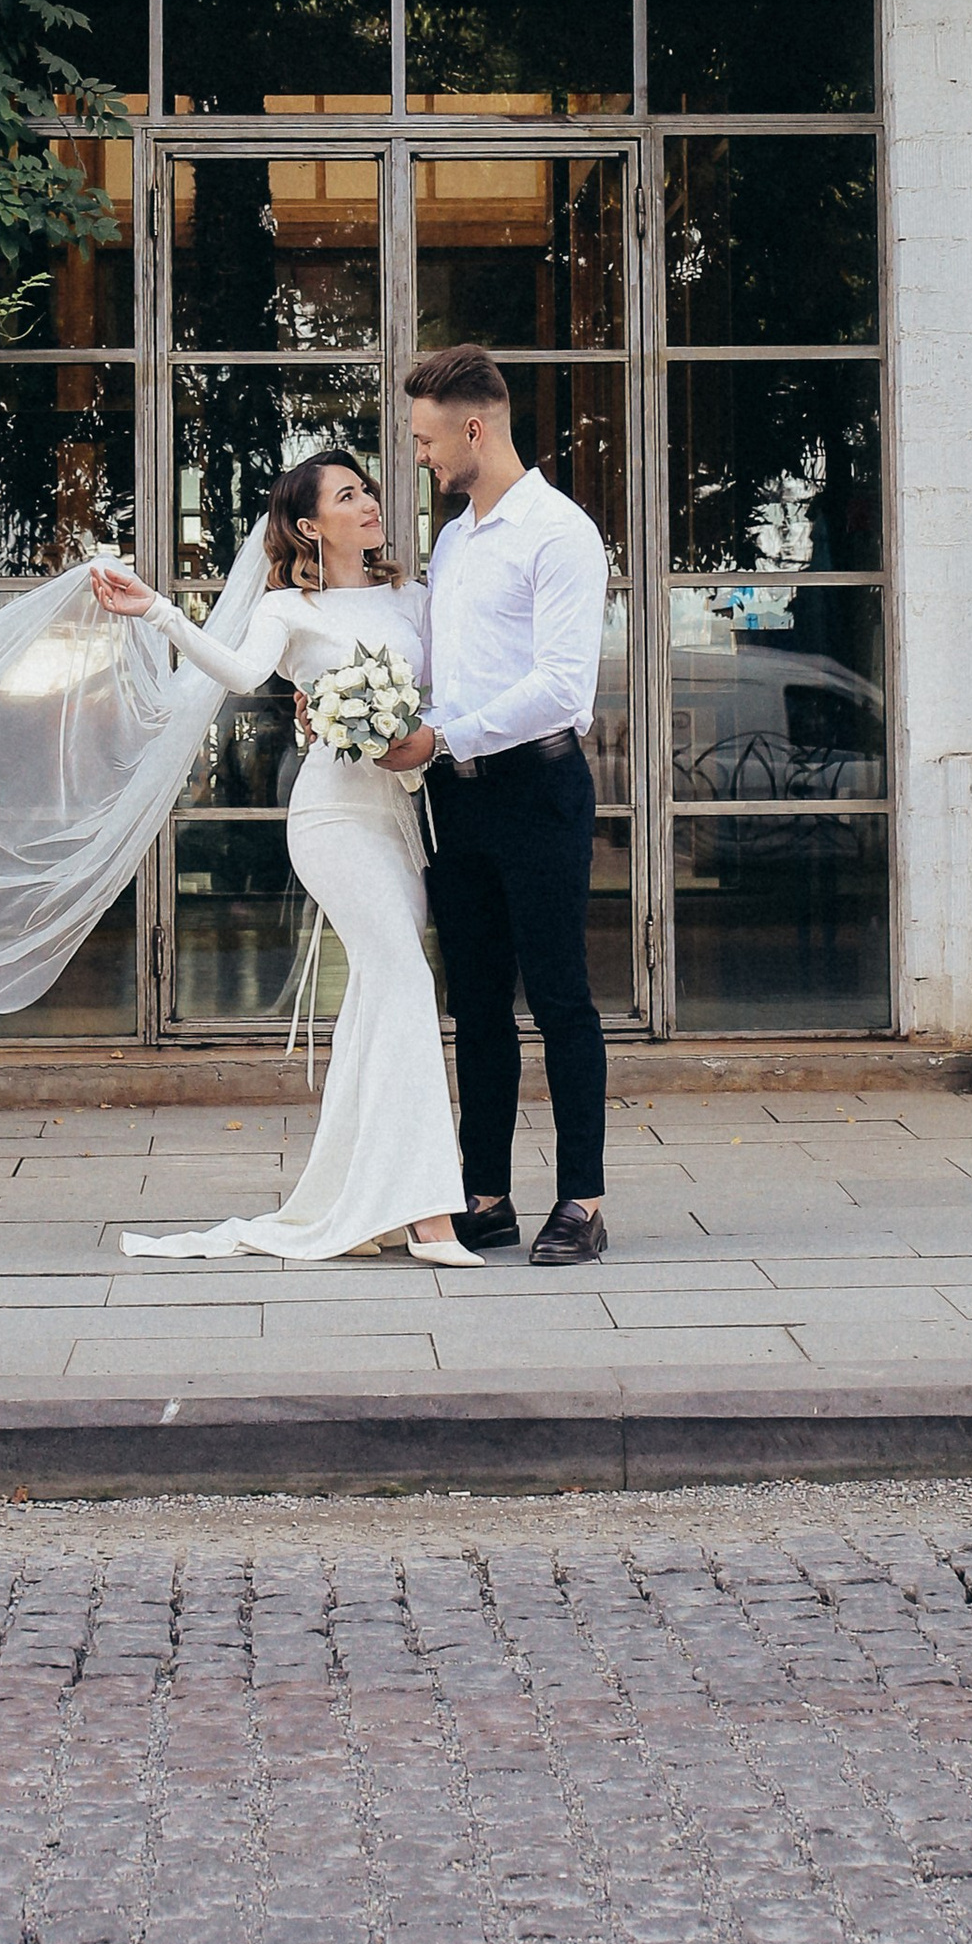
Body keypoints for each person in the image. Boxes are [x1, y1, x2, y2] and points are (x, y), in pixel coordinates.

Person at [89, 453, 478, 1265]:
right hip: (332, 817)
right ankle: (429, 1213)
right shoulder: (287, 608)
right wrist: (159, 610)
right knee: (407, 982)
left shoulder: (413, 598)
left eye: (368, 489)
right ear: (308, 525)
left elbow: (450, 695)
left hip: (399, 819)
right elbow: (238, 671)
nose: (369, 503)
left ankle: (365, 1200)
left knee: (379, 998)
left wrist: (419, 729)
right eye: (348, 495)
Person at [401, 342, 613, 1268]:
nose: (419, 455)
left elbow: (562, 687)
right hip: (457, 800)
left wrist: (445, 735)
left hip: (537, 789)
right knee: (478, 1003)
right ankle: (485, 1195)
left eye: (426, 439)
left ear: (476, 429)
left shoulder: (560, 533)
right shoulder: (454, 539)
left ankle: (583, 1200)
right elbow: (447, 672)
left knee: (560, 995)